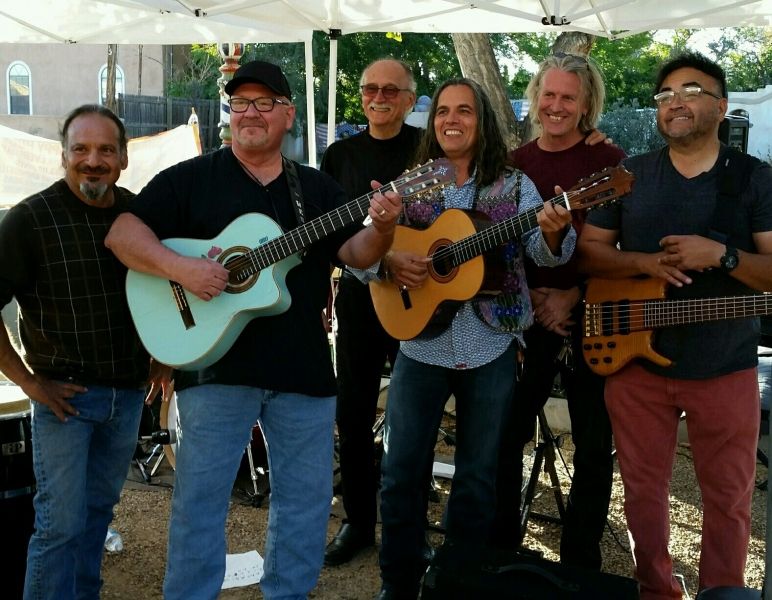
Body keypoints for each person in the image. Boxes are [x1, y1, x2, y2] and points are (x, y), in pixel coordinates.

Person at [104, 60, 402, 600]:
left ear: (289, 115)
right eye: (241, 103)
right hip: (215, 369)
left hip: (303, 371)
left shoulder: (315, 188)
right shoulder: (192, 178)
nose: (251, 113)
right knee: (199, 502)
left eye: (265, 103)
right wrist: (182, 269)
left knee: (305, 503)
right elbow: (122, 234)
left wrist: (383, 227)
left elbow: (358, 254)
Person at [578, 51, 772, 598]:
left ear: (721, 106)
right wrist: (643, 263)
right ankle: (656, 590)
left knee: (728, 499)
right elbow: (589, 253)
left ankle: (721, 592)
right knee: (642, 495)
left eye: (690, 91)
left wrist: (722, 256)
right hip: (634, 363)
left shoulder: (755, 179)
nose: (675, 102)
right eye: (665, 95)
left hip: (726, 367)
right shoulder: (629, 175)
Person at [373, 77, 575, 600]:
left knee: (477, 478)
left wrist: (554, 228)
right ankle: (399, 581)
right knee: (400, 472)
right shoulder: (411, 184)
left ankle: (456, 585)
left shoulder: (514, 186)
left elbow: (546, 253)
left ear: (481, 121)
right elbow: (363, 254)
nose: (451, 120)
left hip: (490, 345)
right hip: (420, 343)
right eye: (443, 110)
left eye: (464, 110)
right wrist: (387, 260)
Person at [0, 104, 169, 600]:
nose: (93, 161)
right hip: (65, 402)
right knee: (59, 526)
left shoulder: (140, 215)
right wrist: (29, 383)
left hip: (128, 396)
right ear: (63, 155)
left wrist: (166, 354)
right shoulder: (29, 219)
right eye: (81, 149)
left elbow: (168, 288)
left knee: (96, 518)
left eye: (105, 150)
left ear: (123, 158)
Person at [491, 52, 625, 568]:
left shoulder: (610, 160)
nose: (556, 105)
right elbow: (502, 249)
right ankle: (502, 551)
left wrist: (575, 292)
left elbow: (622, 245)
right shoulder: (514, 164)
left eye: (569, 97)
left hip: (591, 315)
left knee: (593, 444)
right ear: (534, 97)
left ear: (587, 104)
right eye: (549, 94)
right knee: (507, 434)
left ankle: (580, 562)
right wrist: (532, 296)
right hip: (526, 317)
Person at [320, 58, 423, 566]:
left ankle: (408, 529)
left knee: (414, 419)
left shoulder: (428, 151)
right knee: (353, 413)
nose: (379, 97)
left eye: (390, 90)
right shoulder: (339, 155)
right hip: (360, 302)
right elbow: (328, 233)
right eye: (370, 89)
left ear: (409, 100)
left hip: (418, 299)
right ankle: (358, 522)